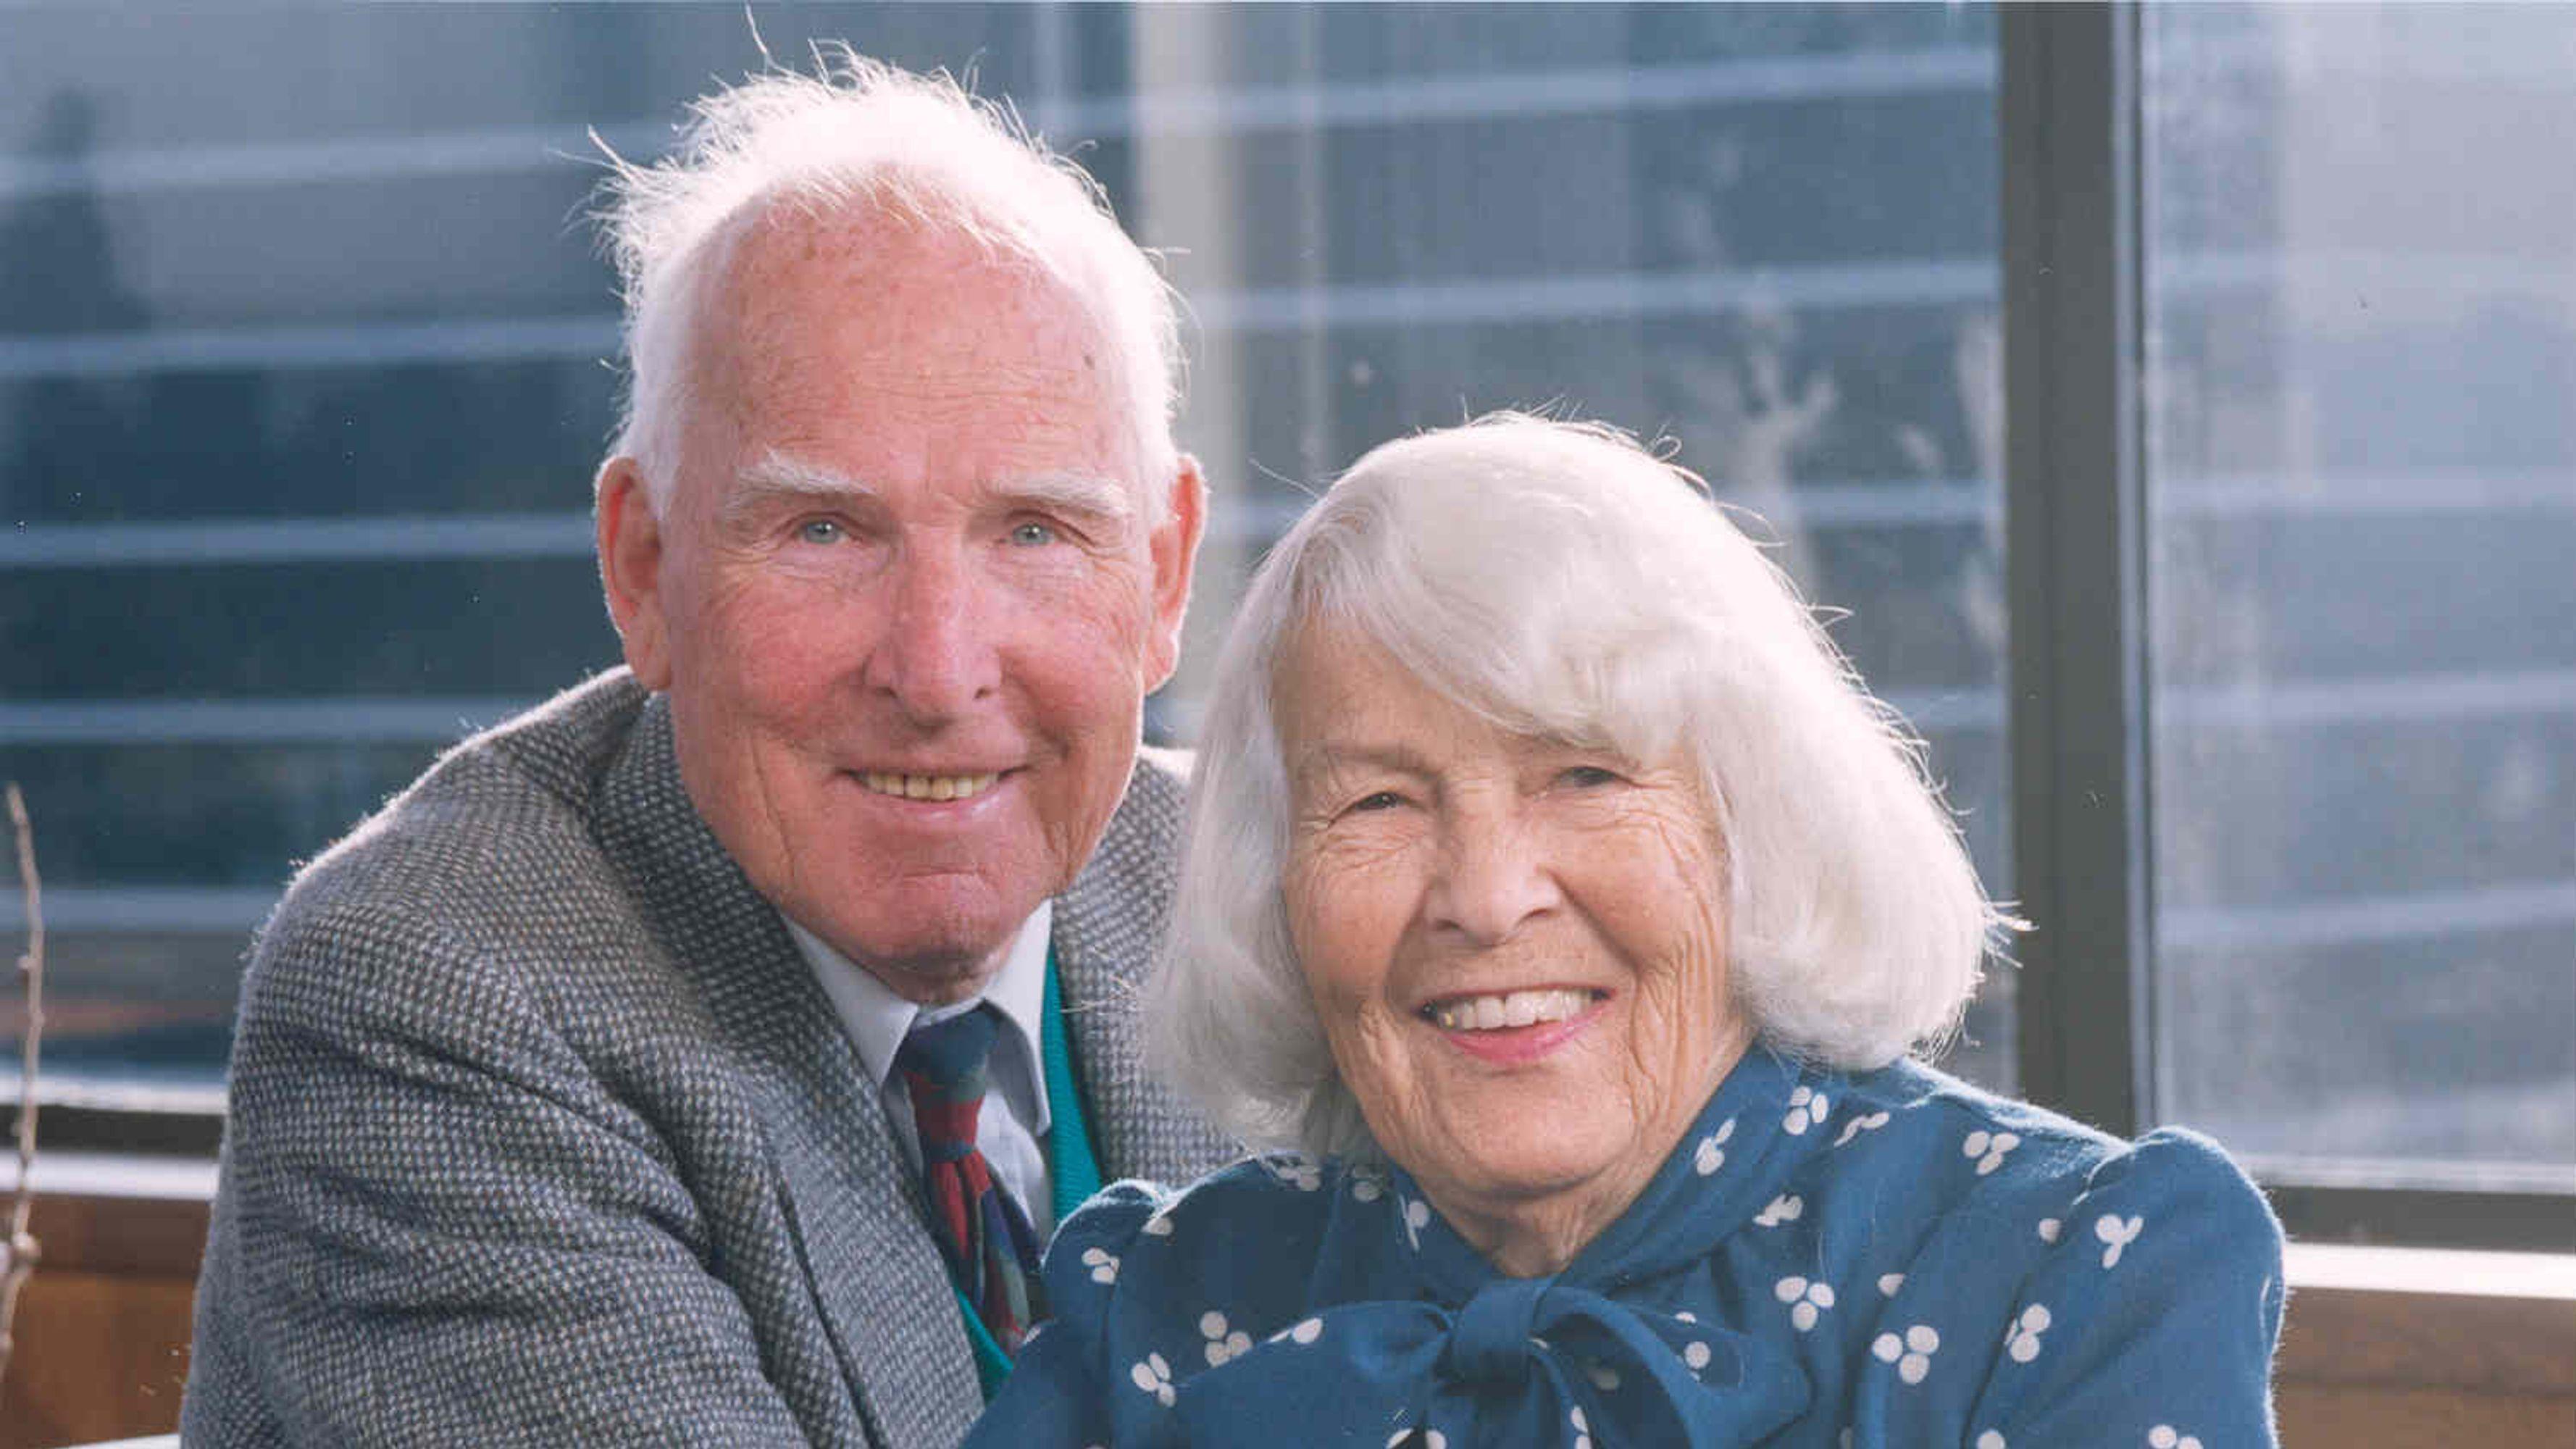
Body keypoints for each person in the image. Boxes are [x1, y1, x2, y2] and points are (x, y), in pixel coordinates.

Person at [185, 52, 1237, 1448]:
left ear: (1163, 581)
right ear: (643, 568)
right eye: (823, 532)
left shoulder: (1265, 888)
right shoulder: (429, 996)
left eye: (1036, 532)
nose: (936, 671)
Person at [972, 415, 2285, 1448]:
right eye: (1377, 800)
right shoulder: (1148, 1305)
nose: (1486, 897)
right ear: (1276, 884)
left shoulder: (2078, 1281)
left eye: (1584, 777)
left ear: (1752, 821)